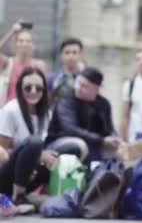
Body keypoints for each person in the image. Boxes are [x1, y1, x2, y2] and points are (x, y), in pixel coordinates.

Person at [0, 67, 56, 214]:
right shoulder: (11, 110)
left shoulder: (46, 114)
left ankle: (53, 193)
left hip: (31, 173)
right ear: (19, 89)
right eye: (28, 88)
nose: (33, 91)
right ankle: (18, 196)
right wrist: (29, 160)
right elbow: (2, 152)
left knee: (67, 149)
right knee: (35, 142)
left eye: (39, 88)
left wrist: (34, 161)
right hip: (7, 176)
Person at [46, 67, 123, 163]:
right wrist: (102, 140)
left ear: (96, 89)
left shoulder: (103, 104)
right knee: (79, 145)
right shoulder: (66, 100)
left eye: (84, 86)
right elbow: (70, 129)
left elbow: (109, 128)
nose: (78, 88)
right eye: (78, 83)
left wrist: (114, 139)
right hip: (60, 142)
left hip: (93, 143)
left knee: (120, 152)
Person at [0, 21, 47, 105]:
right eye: (21, 41)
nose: (24, 44)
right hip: (9, 110)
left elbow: (44, 90)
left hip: (31, 109)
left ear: (33, 44)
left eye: (28, 41)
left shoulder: (39, 65)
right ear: (15, 43)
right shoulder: (8, 63)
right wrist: (12, 32)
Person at [47, 38, 84, 103]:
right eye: (67, 53)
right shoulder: (52, 79)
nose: (71, 56)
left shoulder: (86, 79)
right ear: (61, 55)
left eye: (74, 52)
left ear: (80, 55)